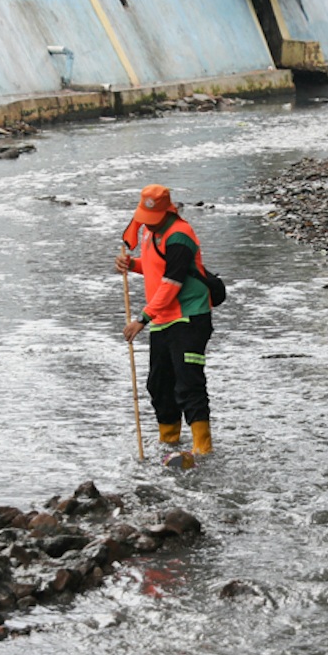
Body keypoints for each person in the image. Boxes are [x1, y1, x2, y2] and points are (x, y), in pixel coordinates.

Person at [116, 184, 214, 456]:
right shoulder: (149, 232)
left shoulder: (180, 235)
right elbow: (154, 268)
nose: (147, 224)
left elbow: (172, 282)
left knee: (188, 383)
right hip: (163, 320)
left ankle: (202, 450)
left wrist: (142, 319)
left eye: (152, 219)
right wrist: (131, 265)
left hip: (189, 317)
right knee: (159, 384)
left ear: (166, 211)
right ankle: (169, 443)